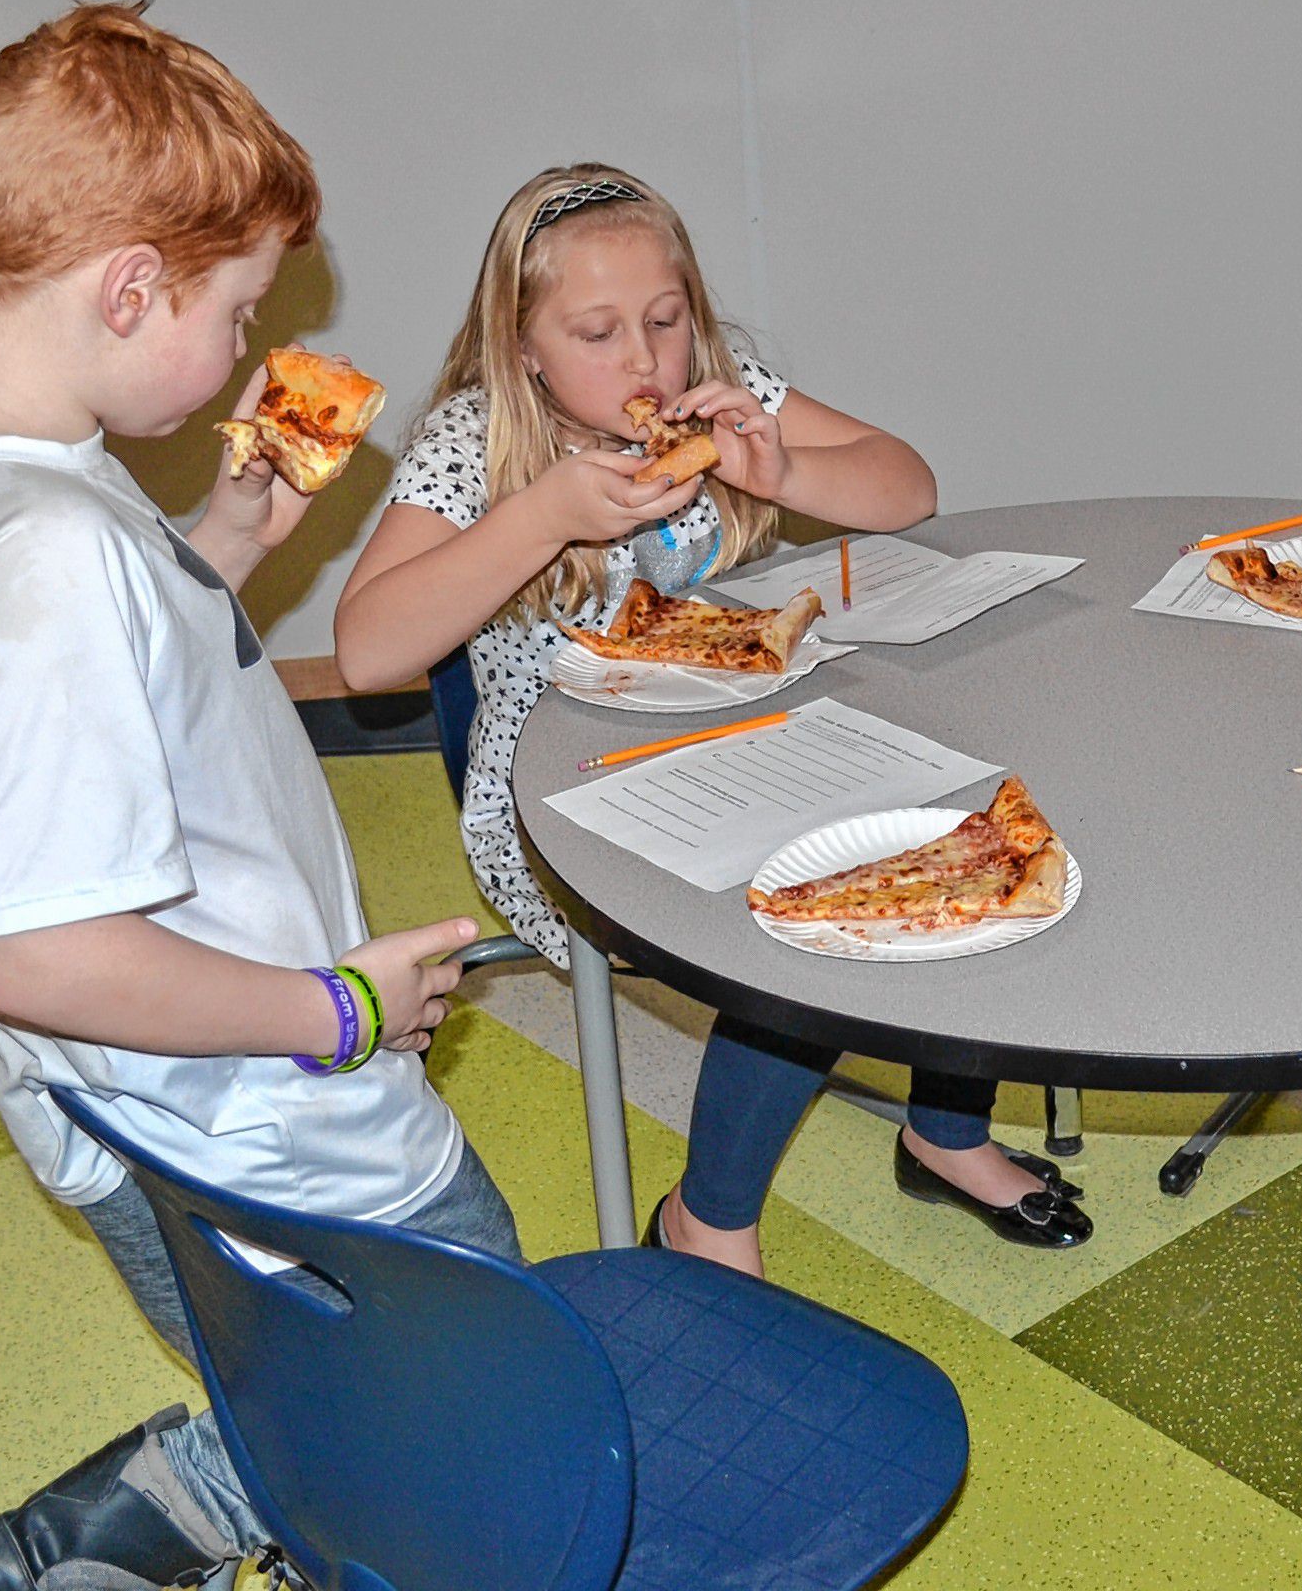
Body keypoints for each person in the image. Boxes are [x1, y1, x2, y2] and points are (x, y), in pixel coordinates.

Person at [0, 2, 503, 1591]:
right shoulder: (48, 550)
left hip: (124, 1106)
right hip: (259, 1112)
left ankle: (118, 1543)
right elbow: (49, 953)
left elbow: (79, 705)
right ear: (129, 288)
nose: (243, 351)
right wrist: (334, 1011)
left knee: (319, 1401)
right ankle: (110, 1543)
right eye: (235, 311)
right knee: (469, 1390)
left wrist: (225, 540)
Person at [332, 163, 1093, 1277]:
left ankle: (948, 1131)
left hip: (754, 736)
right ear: (524, 345)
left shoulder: (724, 391)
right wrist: (544, 512)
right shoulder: (475, 436)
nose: (643, 360)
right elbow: (366, 650)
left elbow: (910, 485)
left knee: (947, 828)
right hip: (558, 796)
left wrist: (782, 466)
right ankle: (709, 1214)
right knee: (801, 917)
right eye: (597, 331)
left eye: (665, 318)